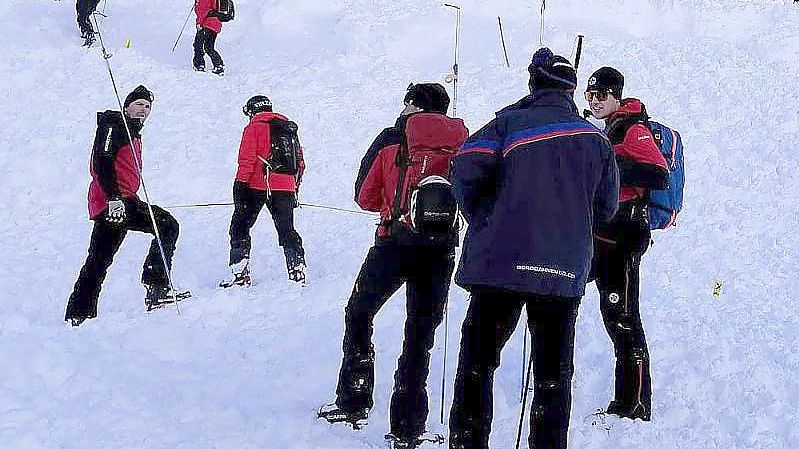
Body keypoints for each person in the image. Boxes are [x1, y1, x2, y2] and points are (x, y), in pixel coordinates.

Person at [447, 48, 619, 449]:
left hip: (498, 267)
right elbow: (607, 207)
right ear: (572, 90)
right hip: (562, 270)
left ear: (533, 83)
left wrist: (487, 220)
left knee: (477, 365)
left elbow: (465, 169)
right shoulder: (595, 139)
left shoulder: (506, 124)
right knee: (553, 375)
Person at [319, 83, 469, 449]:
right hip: (440, 250)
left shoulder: (393, 138)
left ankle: (353, 399)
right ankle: (408, 426)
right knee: (420, 335)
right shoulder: (462, 142)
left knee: (359, 312)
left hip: (394, 242)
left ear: (410, 105)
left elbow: (365, 196)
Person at [584, 66, 669, 421]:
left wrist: (614, 166)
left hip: (625, 236)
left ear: (617, 95)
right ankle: (625, 400)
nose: (595, 100)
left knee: (623, 317)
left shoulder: (633, 129)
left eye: (601, 94)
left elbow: (658, 173)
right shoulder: (609, 130)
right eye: (590, 95)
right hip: (605, 235)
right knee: (612, 314)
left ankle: (636, 404)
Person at [65, 85, 185, 326]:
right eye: (139, 104)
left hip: (119, 201)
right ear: (127, 105)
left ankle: (79, 313)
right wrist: (115, 199)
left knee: (99, 259)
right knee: (167, 225)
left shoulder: (131, 132)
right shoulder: (113, 126)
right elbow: (103, 162)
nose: (144, 109)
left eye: (148, 106)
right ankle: (156, 287)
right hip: (114, 202)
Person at [220, 95, 307, 287]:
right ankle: (297, 268)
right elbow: (300, 162)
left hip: (257, 185)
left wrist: (239, 185)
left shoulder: (253, 127)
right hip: (285, 186)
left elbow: (247, 160)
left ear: (251, 111)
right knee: (286, 229)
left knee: (240, 226)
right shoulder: (289, 129)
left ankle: (240, 273)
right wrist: (294, 187)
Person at [193, 0, 225, 75]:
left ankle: (199, 65)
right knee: (209, 47)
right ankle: (218, 65)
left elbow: (202, 11)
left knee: (198, 45)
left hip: (207, 23)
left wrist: (199, 24)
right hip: (215, 24)